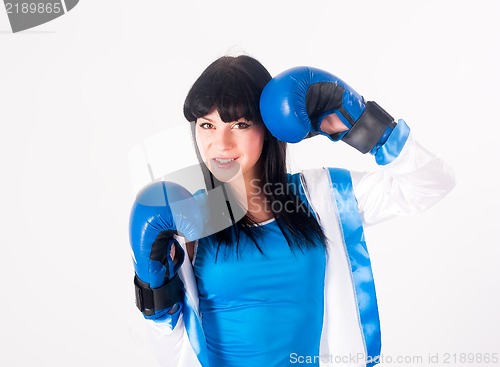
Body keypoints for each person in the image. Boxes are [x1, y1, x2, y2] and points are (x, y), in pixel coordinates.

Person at [129, 55, 456, 367]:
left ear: (269, 126)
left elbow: (430, 184)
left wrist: (362, 124)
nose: (221, 143)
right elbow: (171, 350)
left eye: (240, 124)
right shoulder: (187, 217)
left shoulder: (323, 196)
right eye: (207, 125)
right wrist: (152, 289)